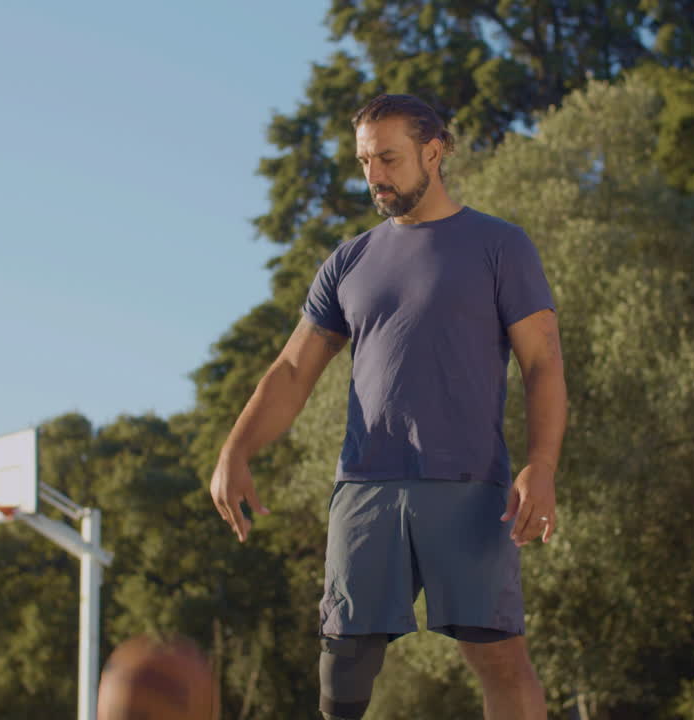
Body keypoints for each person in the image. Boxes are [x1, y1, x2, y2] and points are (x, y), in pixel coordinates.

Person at [210, 93, 566, 720]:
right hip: (366, 485)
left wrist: (542, 464)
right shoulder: (349, 260)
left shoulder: (500, 246)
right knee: (341, 667)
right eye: (364, 161)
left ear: (435, 151)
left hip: (468, 485)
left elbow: (543, 364)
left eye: (388, 159)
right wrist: (236, 447)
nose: (374, 176)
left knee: (501, 660)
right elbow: (293, 370)